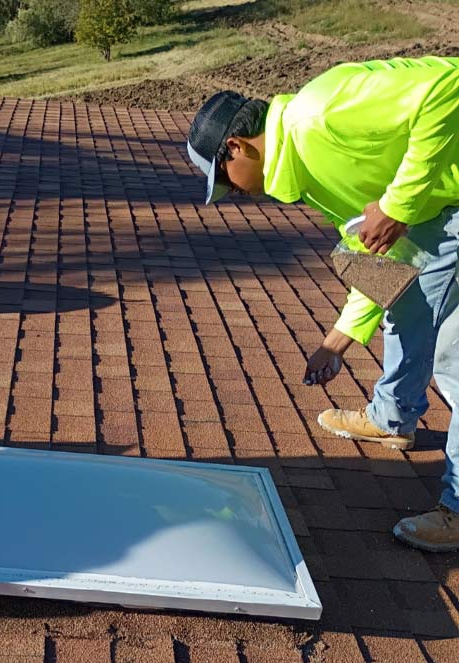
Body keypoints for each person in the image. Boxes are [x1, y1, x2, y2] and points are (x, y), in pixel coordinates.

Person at [186, 56, 459, 551]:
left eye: (226, 182)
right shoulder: (308, 170)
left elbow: (447, 85)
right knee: (409, 307)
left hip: (447, 205)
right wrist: (335, 343)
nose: (234, 196)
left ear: (236, 145)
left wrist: (397, 205)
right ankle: (390, 420)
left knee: (454, 359)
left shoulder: (320, 113)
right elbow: (380, 260)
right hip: (441, 209)